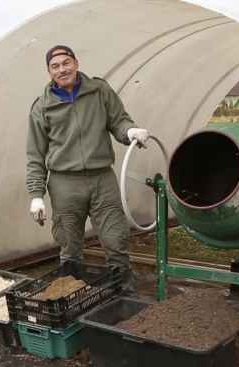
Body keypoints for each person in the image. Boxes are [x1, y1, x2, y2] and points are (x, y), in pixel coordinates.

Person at [25, 45, 149, 293]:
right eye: (55, 66)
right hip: (64, 183)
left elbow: (119, 120)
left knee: (115, 238)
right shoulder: (42, 106)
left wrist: (130, 131)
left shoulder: (99, 91)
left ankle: (123, 292)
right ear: (49, 72)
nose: (62, 69)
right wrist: (36, 195)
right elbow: (35, 154)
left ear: (76, 63)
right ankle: (72, 295)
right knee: (69, 243)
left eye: (66, 62)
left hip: (101, 178)